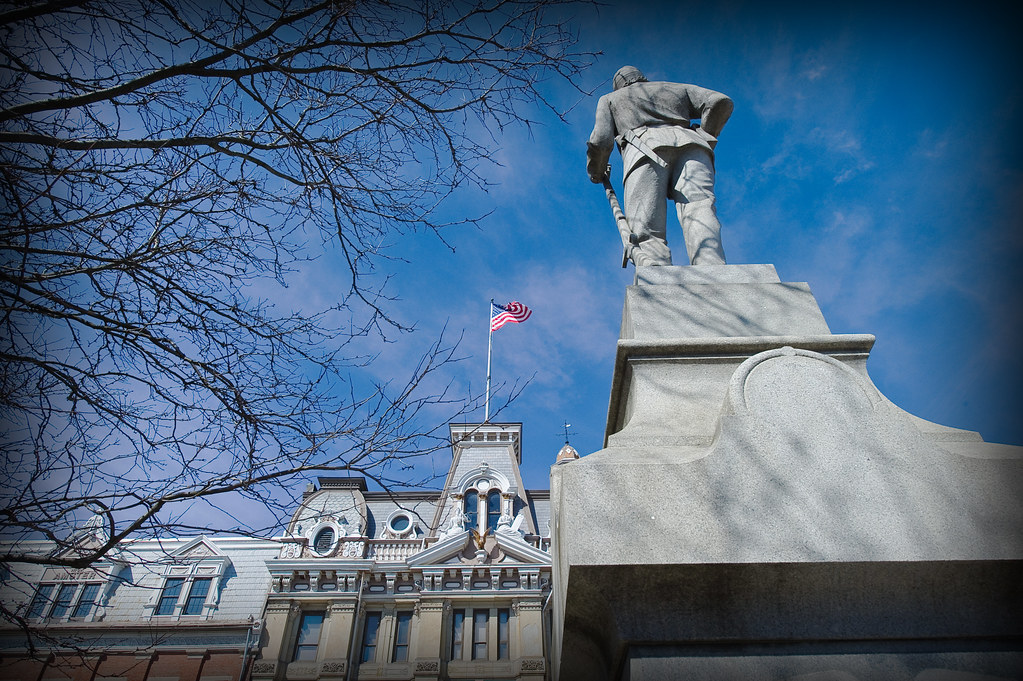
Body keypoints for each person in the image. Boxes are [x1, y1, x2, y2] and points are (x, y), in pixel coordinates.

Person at [587, 66, 733, 266]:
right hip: (694, 148)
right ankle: (711, 264)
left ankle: (655, 269)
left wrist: (596, 170)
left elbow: (601, 140)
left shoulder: (610, 99)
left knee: (646, 225)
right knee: (700, 208)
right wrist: (706, 136)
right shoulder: (675, 88)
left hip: (643, 149)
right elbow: (719, 101)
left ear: (619, 85)